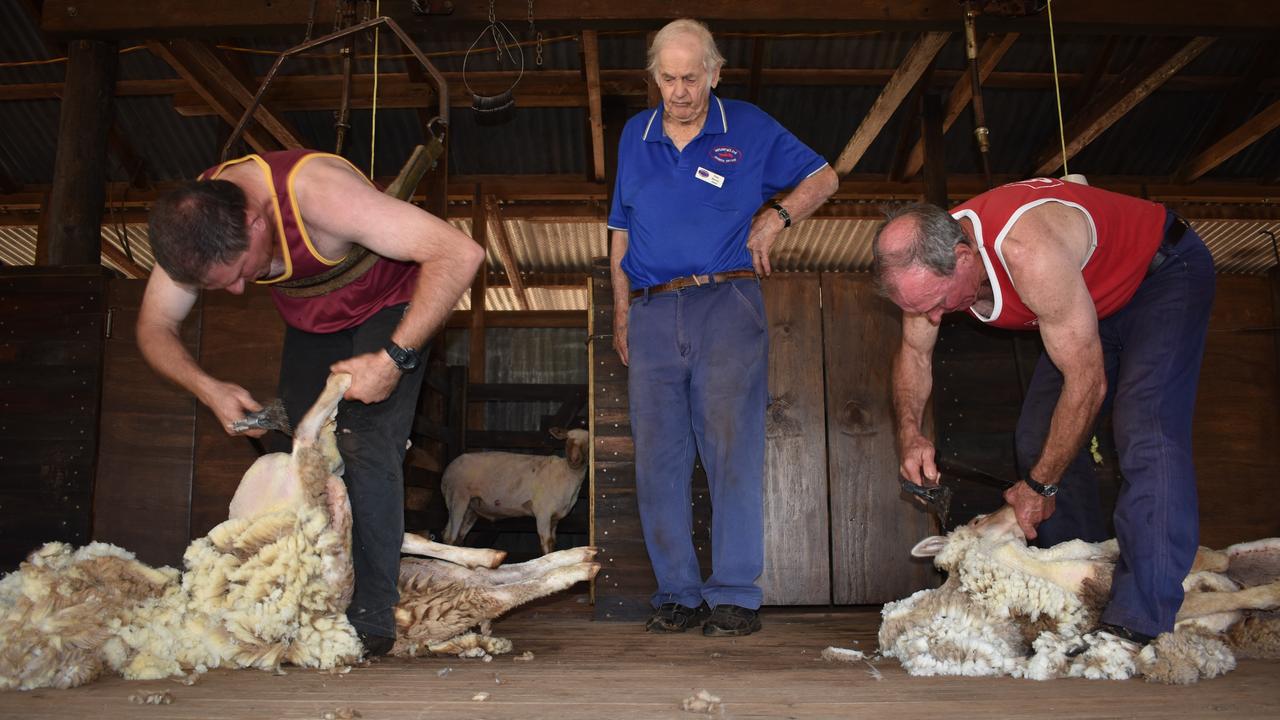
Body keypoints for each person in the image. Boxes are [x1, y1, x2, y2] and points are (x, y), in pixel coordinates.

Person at [138, 149, 484, 656]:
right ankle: (303, 595)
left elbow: (461, 253)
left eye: (237, 273)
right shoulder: (195, 223)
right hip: (314, 319)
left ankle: (370, 616)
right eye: (219, 286)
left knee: (364, 440)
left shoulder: (320, 195)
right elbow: (154, 327)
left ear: (254, 223)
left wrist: (393, 359)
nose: (237, 291)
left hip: (394, 305)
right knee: (298, 450)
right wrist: (208, 389)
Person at [873, 178, 1215, 645]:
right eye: (918, 308)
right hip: (1086, 302)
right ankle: (1077, 593)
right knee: (1036, 438)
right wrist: (910, 435)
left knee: (1146, 431)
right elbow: (914, 355)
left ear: (963, 257)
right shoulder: (926, 277)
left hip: (1160, 277)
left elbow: (1088, 383)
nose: (934, 319)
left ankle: (1142, 616)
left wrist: (1040, 486)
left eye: (938, 305)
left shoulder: (1024, 249)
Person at [608, 18, 838, 637]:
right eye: (667, 78)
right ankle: (677, 593)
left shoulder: (750, 126)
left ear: (715, 72)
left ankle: (735, 593)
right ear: (653, 76)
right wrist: (621, 309)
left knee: (733, 449)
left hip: (727, 302)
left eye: (690, 77)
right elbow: (620, 232)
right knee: (658, 458)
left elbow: (825, 175)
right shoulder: (635, 133)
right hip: (653, 310)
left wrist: (778, 216)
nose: (678, 91)